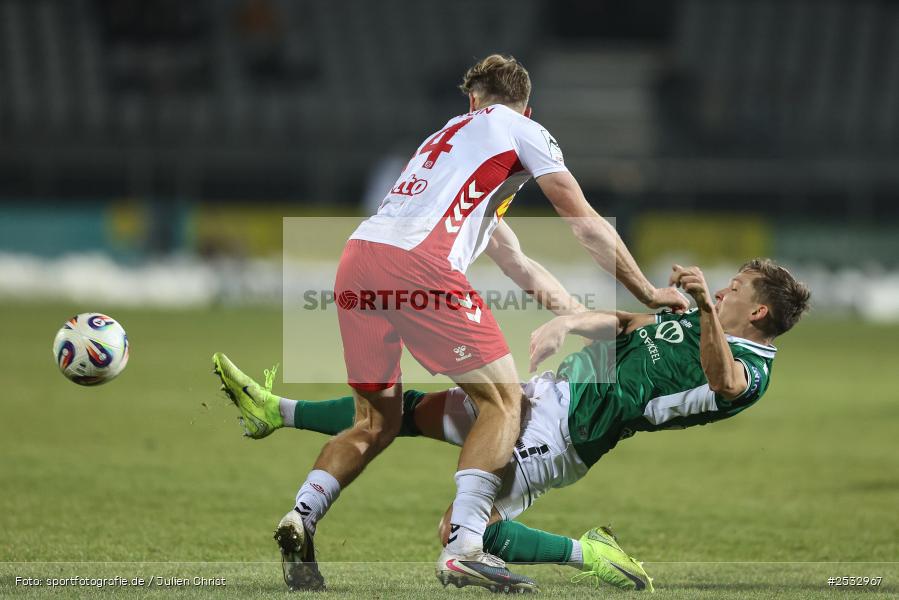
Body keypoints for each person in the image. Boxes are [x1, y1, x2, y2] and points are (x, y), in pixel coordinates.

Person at [214, 54, 686, 593]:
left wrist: (574, 315)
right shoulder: (523, 130)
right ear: (527, 107)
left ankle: (303, 513)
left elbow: (517, 262)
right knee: (505, 401)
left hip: (359, 259)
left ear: (471, 100)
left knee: (377, 421)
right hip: (418, 266)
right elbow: (585, 224)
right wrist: (647, 291)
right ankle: (465, 545)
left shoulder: (448, 141)